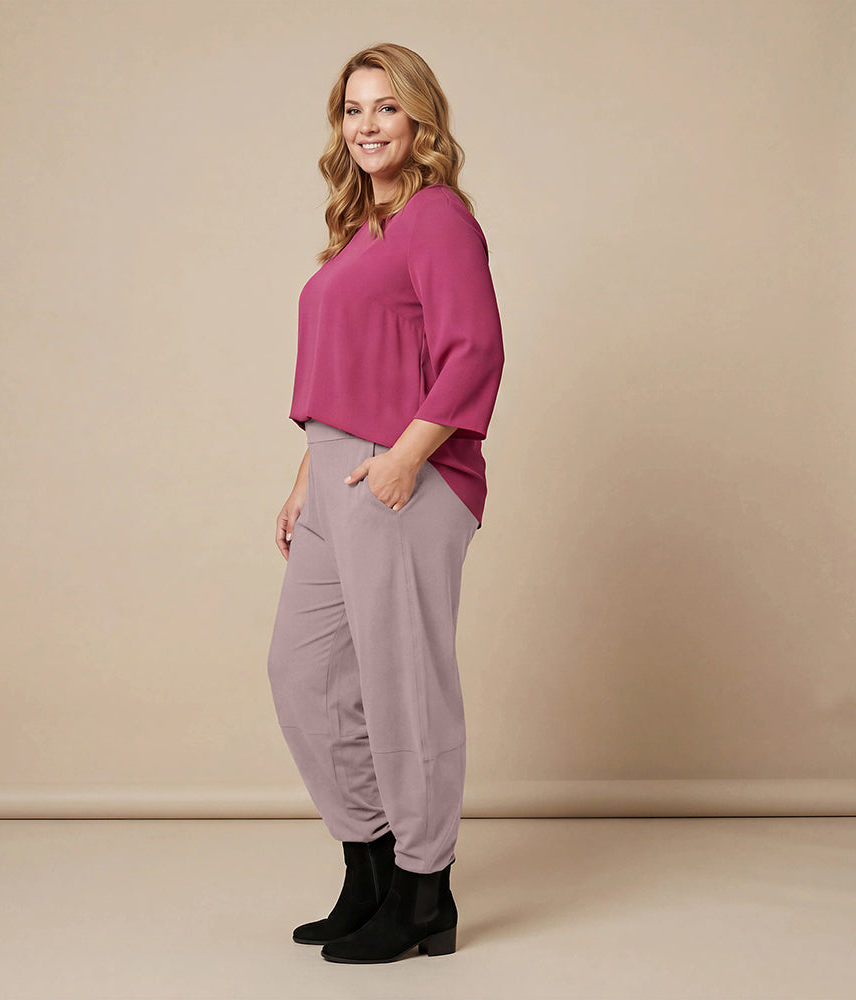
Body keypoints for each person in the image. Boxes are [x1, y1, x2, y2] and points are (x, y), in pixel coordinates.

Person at [266, 42, 504, 964]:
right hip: (337, 470)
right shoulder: (360, 230)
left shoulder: (437, 217)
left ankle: (424, 890)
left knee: (404, 685)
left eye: (386, 107)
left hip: (403, 470)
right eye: (353, 109)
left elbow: (474, 348)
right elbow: (347, 368)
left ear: (420, 120)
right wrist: (305, 477)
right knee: (306, 674)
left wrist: (406, 457)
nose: (367, 125)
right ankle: (368, 873)